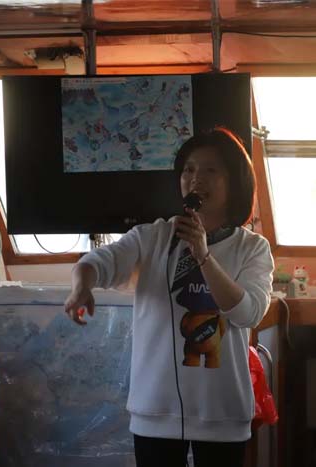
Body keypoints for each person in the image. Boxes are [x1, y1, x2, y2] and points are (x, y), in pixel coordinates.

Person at [64, 127, 274, 467]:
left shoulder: (252, 248)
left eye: (210, 170)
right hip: (155, 410)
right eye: (189, 169)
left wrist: (203, 255)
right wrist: (81, 286)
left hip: (221, 413)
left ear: (235, 182)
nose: (196, 179)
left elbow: (247, 314)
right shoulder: (152, 237)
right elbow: (97, 262)